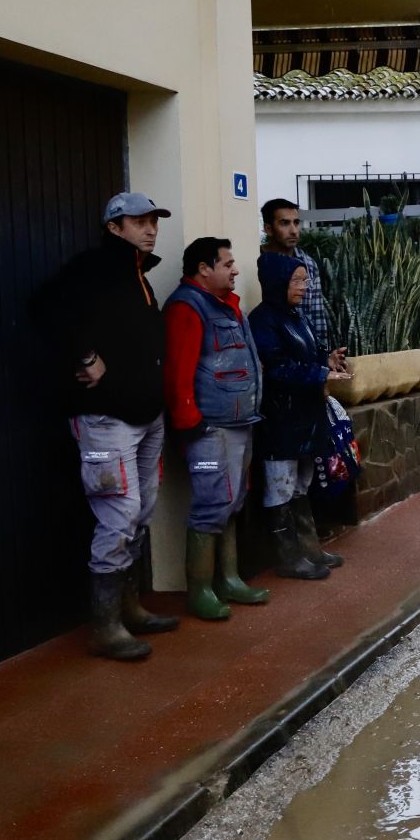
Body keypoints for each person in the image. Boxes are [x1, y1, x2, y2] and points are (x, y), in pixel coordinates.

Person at [34, 192, 178, 661]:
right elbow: (47, 308)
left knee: (141, 511)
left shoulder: (139, 274)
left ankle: (129, 607)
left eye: (153, 221)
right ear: (114, 227)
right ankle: (106, 625)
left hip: (147, 415)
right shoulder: (94, 267)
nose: (150, 228)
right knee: (119, 514)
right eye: (138, 221)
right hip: (105, 418)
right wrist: (86, 358)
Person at [163, 238, 270, 620]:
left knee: (232, 501)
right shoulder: (186, 308)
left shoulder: (227, 304)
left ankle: (230, 579)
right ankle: (201, 590)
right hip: (209, 428)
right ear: (203, 269)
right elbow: (178, 373)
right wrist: (191, 425)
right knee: (211, 505)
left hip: (240, 422)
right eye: (227, 263)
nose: (235, 269)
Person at [249, 252, 349, 579]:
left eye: (304, 281)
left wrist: (328, 360)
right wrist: (320, 374)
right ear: (278, 282)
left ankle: (309, 547)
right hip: (281, 419)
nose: (303, 287)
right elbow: (277, 367)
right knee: (280, 485)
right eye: (296, 280)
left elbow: (311, 353)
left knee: (301, 484)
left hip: (305, 418)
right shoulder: (263, 320)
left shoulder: (297, 315)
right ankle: (289, 556)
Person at [259, 198, 346, 373]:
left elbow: (316, 315)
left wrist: (324, 358)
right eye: (284, 223)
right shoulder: (258, 259)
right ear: (268, 229)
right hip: (270, 357)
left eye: (296, 223)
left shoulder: (308, 264)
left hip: (304, 360)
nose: (293, 230)